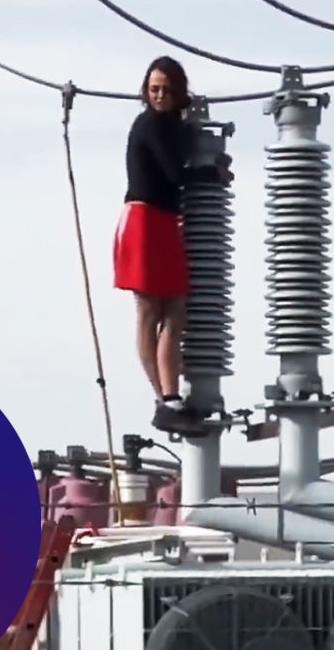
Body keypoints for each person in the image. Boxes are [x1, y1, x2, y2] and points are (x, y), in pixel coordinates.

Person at [113, 56, 233, 435]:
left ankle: (169, 398)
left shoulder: (170, 125)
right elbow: (173, 173)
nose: (160, 95)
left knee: (175, 311)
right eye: (154, 89)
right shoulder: (150, 124)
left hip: (161, 222)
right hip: (144, 220)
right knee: (151, 311)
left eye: (166, 89)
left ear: (179, 91)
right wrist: (212, 171)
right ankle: (165, 399)